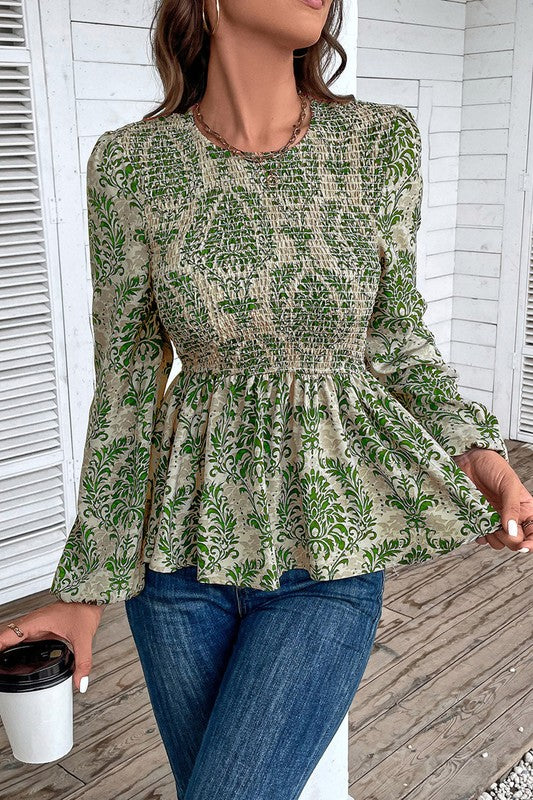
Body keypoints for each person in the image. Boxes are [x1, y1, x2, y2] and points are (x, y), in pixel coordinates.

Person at [1, 1, 532, 797]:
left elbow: (395, 337)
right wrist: (86, 589)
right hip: (176, 560)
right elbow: (125, 384)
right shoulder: (133, 164)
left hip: (327, 551)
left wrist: (480, 457)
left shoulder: (378, 144)